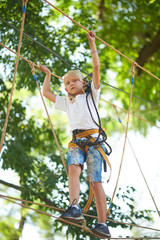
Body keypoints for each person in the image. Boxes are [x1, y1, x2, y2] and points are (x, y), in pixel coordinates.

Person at [40, 31, 111, 238]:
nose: (70, 85)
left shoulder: (92, 96)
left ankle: (102, 224)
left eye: (74, 81)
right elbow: (47, 93)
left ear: (83, 83)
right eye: (67, 83)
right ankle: (74, 207)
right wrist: (47, 75)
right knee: (73, 168)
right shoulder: (67, 101)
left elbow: (96, 69)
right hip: (76, 141)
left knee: (94, 181)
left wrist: (93, 44)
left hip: (94, 141)